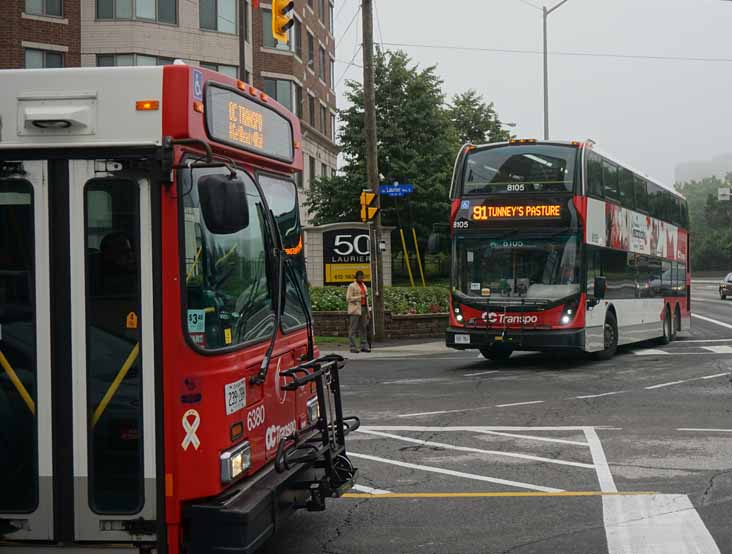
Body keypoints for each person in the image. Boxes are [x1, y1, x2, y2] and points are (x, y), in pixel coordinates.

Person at [346, 270, 370, 353]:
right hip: (355, 309)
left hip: (363, 308)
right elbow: (348, 298)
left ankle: (364, 346)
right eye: (359, 276)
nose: (361, 278)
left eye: (362, 276)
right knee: (353, 328)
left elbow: (366, 298)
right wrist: (360, 297)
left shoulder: (364, 285)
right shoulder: (352, 286)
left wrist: (368, 310)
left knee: (363, 328)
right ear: (356, 277)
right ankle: (352, 347)